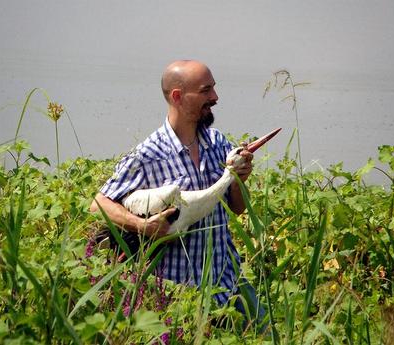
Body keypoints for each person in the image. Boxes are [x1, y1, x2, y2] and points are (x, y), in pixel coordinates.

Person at [90, 60, 265, 326]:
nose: (215, 97)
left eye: (214, 89)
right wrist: (144, 226)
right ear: (177, 96)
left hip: (227, 284)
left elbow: (238, 208)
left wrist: (240, 179)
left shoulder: (218, 143)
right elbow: (98, 203)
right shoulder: (148, 154)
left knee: (265, 331)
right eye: (206, 91)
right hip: (179, 295)